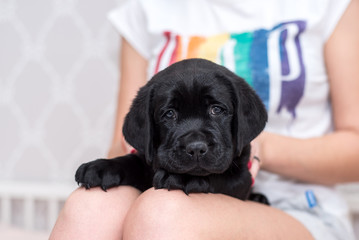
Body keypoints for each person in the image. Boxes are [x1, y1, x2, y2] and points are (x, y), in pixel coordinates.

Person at [49, 0, 359, 239]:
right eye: (170, 113)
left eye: (217, 110)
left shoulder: (330, 5)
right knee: (89, 206)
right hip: (163, 189)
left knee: (164, 212)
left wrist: (258, 146)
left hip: (297, 205)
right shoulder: (146, 9)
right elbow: (130, 139)